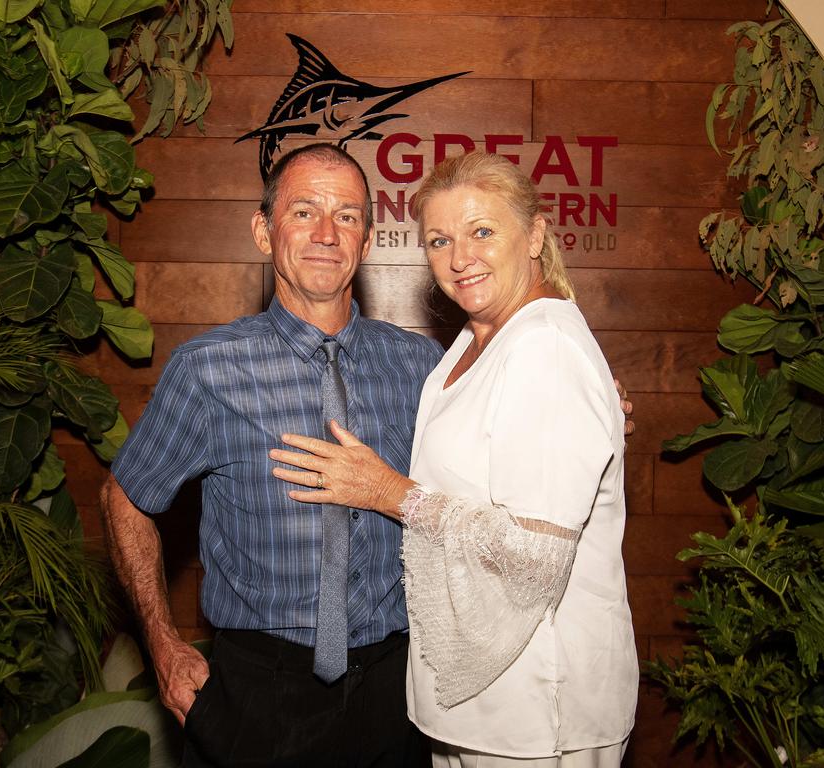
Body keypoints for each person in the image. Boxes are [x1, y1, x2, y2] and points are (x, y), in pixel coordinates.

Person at [270, 151, 638, 767]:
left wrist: (387, 492)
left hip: (539, 707)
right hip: (476, 699)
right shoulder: (472, 341)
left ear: (536, 236)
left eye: (483, 232)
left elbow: (534, 554)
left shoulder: (543, 346)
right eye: (439, 239)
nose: (460, 257)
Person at [101, 143, 444, 767]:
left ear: (366, 240)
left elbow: (501, 442)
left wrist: (592, 410)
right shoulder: (209, 370)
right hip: (258, 697)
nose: (326, 233)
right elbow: (125, 497)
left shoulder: (419, 366)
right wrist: (163, 645)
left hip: (396, 693)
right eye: (304, 211)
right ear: (264, 231)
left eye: (347, 215)